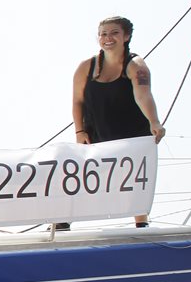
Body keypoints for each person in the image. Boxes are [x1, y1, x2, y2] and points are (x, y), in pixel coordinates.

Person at [70, 16, 166, 228]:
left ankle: (141, 224)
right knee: (84, 178)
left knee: (134, 181)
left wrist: (155, 122)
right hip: (98, 133)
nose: (107, 38)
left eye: (114, 33)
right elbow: (77, 101)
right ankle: (64, 220)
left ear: (126, 36)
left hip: (132, 134)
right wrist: (80, 131)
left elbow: (143, 95)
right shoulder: (86, 67)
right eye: (103, 34)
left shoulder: (135, 65)